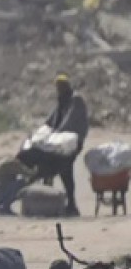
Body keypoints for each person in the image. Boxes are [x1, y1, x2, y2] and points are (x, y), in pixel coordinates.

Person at [44, 74, 89, 216]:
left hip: (73, 141)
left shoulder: (75, 99)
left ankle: (71, 203)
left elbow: (69, 120)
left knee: (65, 168)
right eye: (58, 87)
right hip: (60, 141)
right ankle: (50, 202)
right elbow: (51, 119)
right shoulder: (61, 101)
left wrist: (57, 132)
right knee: (54, 167)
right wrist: (43, 131)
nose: (60, 89)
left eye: (62, 86)